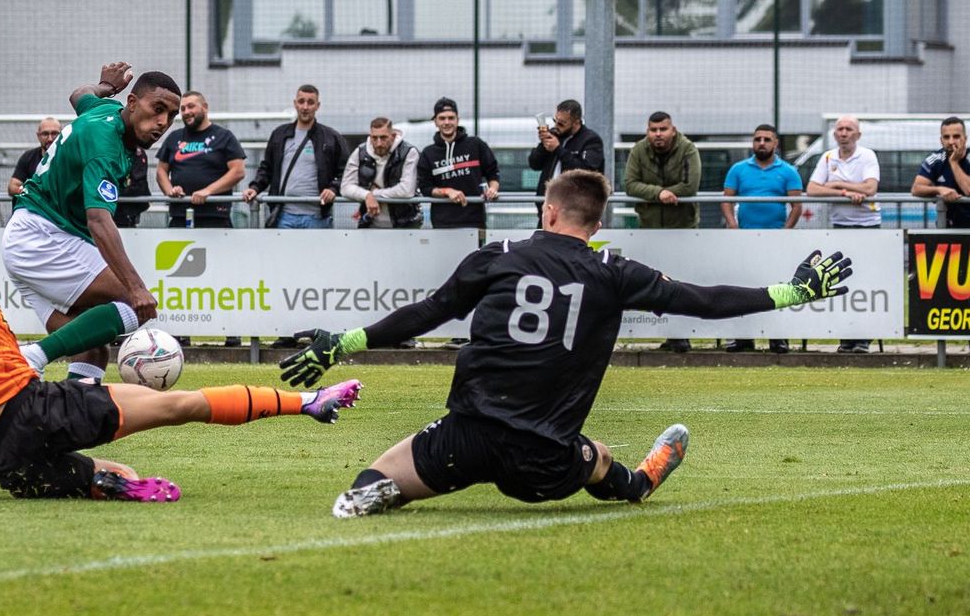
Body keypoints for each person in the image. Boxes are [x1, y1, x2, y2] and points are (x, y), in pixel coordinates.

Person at [276, 170, 852, 518]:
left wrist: (340, 343)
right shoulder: (614, 272)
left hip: (466, 436)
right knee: (598, 459)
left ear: (546, 211)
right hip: (545, 460)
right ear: (595, 225)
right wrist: (790, 292)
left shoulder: (497, 257)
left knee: (369, 482)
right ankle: (639, 481)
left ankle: (381, 494)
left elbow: (429, 312)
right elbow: (704, 300)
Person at [0, 198, 363, 502]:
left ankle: (105, 483)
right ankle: (308, 402)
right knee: (179, 404)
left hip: (4, 459)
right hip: (32, 412)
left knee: (120, 473)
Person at [2, 62, 180, 382]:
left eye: (170, 115)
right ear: (133, 102)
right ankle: (32, 356)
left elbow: (79, 94)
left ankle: (71, 424)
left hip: (28, 237)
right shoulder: (106, 146)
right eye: (157, 109)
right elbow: (98, 221)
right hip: (43, 236)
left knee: (92, 347)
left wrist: (104, 87)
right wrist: (136, 287)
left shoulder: (103, 108)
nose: (163, 122)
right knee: (131, 304)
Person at [242, 84, 349, 349]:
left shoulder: (330, 138)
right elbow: (266, 169)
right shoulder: (280, 135)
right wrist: (255, 187)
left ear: (317, 105)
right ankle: (286, 331)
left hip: (317, 217)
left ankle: (316, 331)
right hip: (284, 217)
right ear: (295, 103)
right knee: (285, 277)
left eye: (310, 102)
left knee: (317, 277)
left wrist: (333, 188)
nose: (305, 106)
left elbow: (345, 170)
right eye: (301, 101)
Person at [157, 90, 247, 347]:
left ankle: (231, 331)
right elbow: (162, 170)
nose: (186, 112)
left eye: (191, 107)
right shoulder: (175, 138)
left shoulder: (223, 136)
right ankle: (181, 332)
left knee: (223, 276)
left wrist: (208, 191)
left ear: (205, 107)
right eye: (183, 109)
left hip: (215, 218)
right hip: (180, 218)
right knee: (180, 280)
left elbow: (238, 171)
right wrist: (169, 190)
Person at [623, 111, 702, 352]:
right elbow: (629, 184)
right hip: (650, 227)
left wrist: (664, 193)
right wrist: (659, 194)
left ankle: (682, 333)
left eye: (662, 129)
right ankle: (667, 333)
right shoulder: (638, 150)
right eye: (653, 130)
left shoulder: (688, 149)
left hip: (683, 227)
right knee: (655, 281)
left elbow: (691, 185)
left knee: (682, 281)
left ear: (673, 130)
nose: (658, 134)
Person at [721, 124, 803, 353]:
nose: (762, 143)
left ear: (776, 143)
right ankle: (743, 338)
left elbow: (797, 206)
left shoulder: (788, 171)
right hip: (745, 241)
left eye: (767, 139)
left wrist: (785, 232)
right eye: (758, 139)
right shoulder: (738, 169)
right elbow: (726, 200)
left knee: (778, 288)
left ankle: (777, 338)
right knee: (743, 287)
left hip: (775, 242)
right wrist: (733, 226)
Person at [805, 114, 880, 353]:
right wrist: (845, 193)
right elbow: (812, 189)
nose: (844, 133)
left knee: (867, 283)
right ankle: (847, 336)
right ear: (835, 134)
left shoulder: (867, 155)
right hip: (840, 227)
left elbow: (870, 188)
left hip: (868, 226)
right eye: (840, 129)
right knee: (843, 282)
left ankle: (864, 338)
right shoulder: (828, 157)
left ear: (858, 134)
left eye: (849, 129)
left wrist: (837, 185)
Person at [417, 96, 500, 231]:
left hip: (474, 219)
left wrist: (493, 189)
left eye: (451, 118)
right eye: (442, 118)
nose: (447, 122)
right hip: (442, 221)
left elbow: (493, 173)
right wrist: (447, 191)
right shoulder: (428, 153)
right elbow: (425, 187)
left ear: (457, 120)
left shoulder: (475, 144)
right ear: (435, 122)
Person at [529, 99, 605, 225]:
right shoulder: (555, 135)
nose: (557, 126)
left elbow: (587, 171)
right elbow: (534, 164)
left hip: (574, 211)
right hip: (548, 208)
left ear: (576, 123)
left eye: (562, 123)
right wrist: (543, 145)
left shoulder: (590, 140)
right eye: (555, 121)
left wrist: (559, 150)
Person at [340, 117, 421, 230]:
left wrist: (375, 194)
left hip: (405, 223)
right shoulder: (360, 152)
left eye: (383, 138)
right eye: (374, 138)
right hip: (370, 222)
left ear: (392, 136)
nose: (378, 143)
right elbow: (345, 187)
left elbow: (406, 190)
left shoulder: (408, 152)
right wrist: (367, 195)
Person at [911, 116, 970, 229]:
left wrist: (953, 162)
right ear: (941, 140)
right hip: (948, 227)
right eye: (946, 137)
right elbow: (916, 189)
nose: (951, 141)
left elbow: (968, 190)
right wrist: (939, 189)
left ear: (965, 139)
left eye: (956, 136)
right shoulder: (935, 159)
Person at [7, 117, 62, 197]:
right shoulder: (28, 157)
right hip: (35, 207)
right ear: (38, 136)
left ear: (61, 135)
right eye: (45, 134)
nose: (50, 139)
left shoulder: (70, 157)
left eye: (54, 133)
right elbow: (12, 187)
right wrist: (33, 194)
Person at [113, 146, 152, 229]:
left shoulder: (136, 151)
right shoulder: (103, 148)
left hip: (126, 213)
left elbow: (139, 187)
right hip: (103, 211)